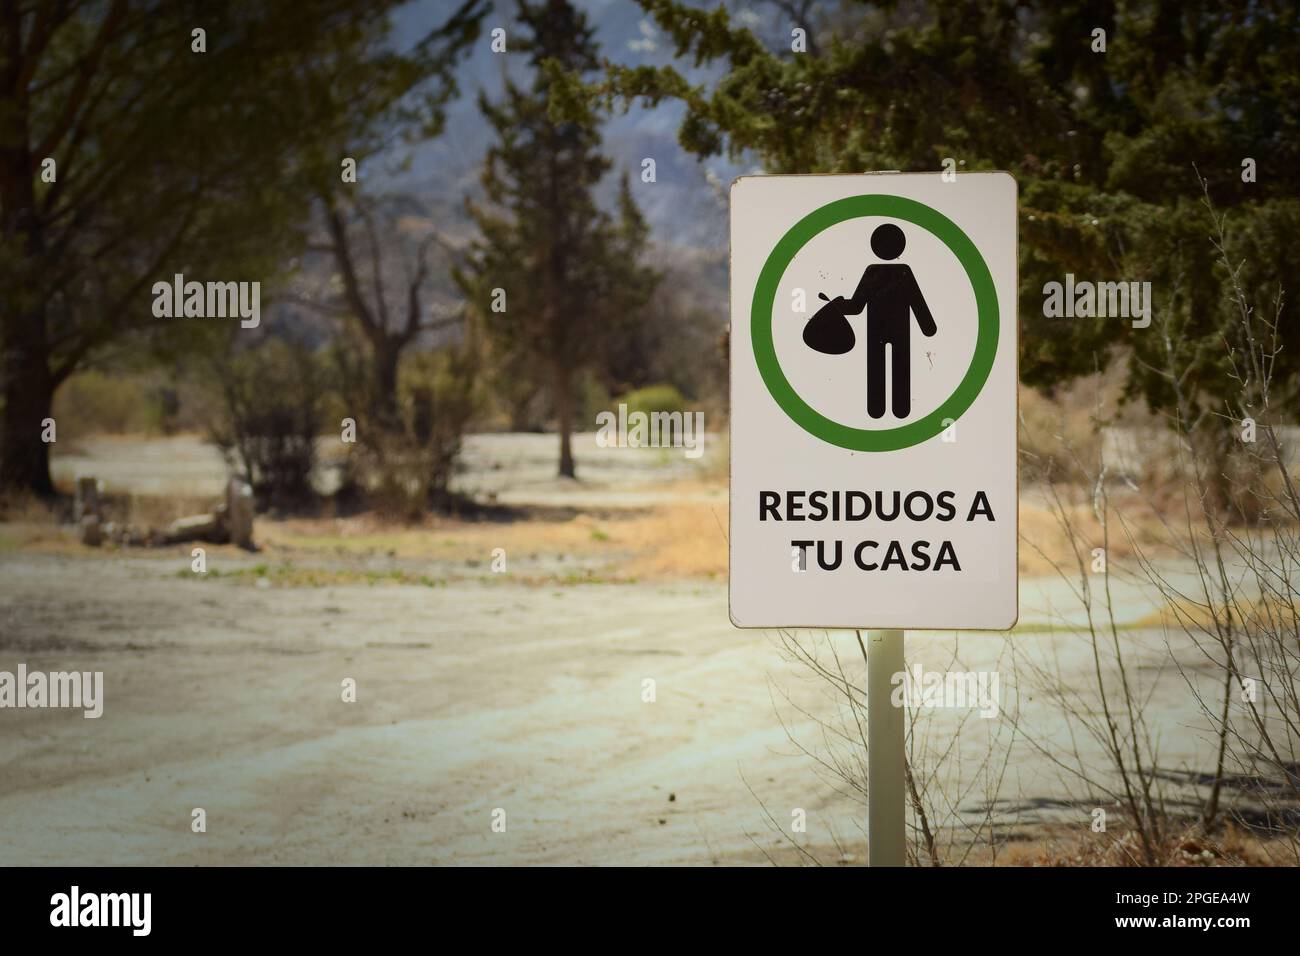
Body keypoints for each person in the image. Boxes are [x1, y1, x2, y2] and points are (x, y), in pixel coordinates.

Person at [836, 223, 937, 419]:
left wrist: (839, 306)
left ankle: (879, 409)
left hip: (878, 332)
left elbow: (856, 306)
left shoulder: (874, 272)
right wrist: (928, 326)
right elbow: (918, 303)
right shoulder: (900, 272)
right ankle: (896, 410)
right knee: (895, 367)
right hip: (895, 332)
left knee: (880, 368)